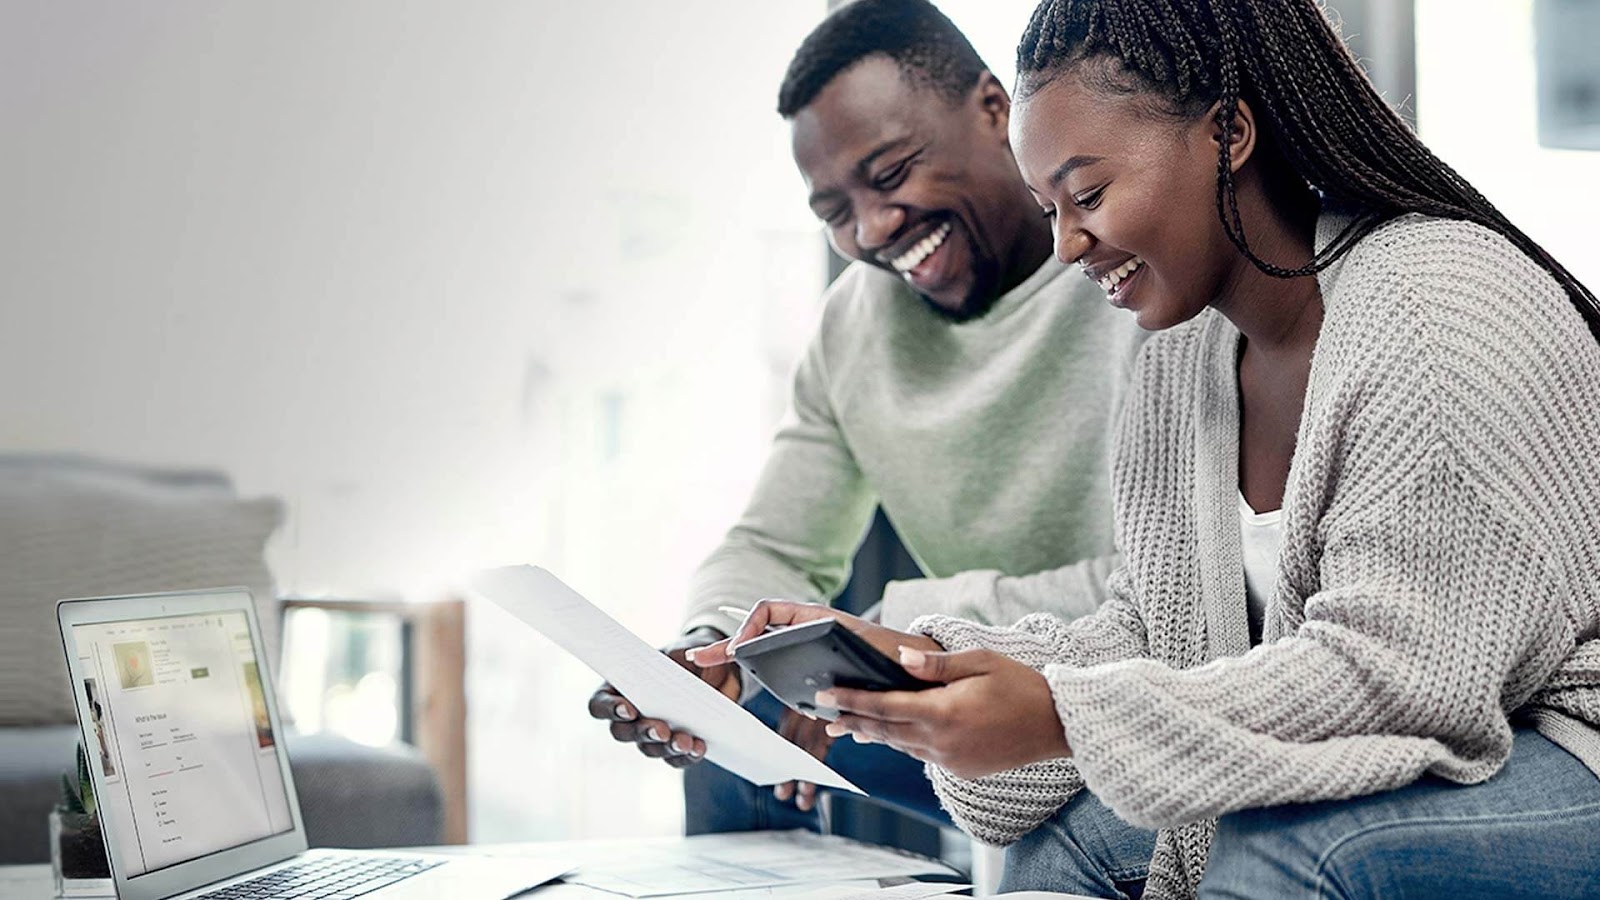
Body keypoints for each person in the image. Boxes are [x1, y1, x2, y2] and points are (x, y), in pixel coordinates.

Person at [695, 0, 1600, 896]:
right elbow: (1149, 628)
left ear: (1230, 133)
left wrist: (1060, 716)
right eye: (1049, 205)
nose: (1066, 244)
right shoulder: (1182, 360)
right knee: (1070, 844)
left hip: (1562, 741)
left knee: (1288, 851)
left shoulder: (1435, 310)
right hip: (1427, 724)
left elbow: (1397, 680)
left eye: (1087, 196)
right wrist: (931, 662)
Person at [586, 0, 1148, 834]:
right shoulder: (855, 324)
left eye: (890, 176)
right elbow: (774, 545)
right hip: (944, 684)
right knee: (735, 754)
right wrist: (707, 655)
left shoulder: (1133, 272)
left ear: (994, 110)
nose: (874, 228)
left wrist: (893, 634)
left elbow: (1166, 593)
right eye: (834, 213)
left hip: (1113, 693)